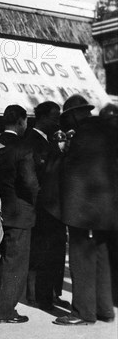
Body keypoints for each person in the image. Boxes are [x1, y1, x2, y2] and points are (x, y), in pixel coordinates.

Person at [42, 95, 117, 325]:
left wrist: (59, 152)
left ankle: (83, 312)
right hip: (107, 211)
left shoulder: (80, 136)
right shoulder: (107, 131)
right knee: (103, 256)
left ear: (73, 115)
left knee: (80, 258)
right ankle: (105, 309)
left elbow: (63, 171)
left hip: (82, 211)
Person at [0, 105, 39, 324]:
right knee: (16, 263)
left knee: (6, 260)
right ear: (21, 121)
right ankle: (5, 311)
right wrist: (38, 198)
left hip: (0, 209)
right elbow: (30, 183)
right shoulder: (24, 148)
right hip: (20, 212)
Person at [22, 101, 66, 311]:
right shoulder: (31, 140)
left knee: (53, 251)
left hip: (53, 206)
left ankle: (50, 293)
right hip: (42, 207)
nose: (57, 122)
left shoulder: (49, 140)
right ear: (42, 117)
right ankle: (37, 295)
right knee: (41, 252)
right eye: (54, 117)